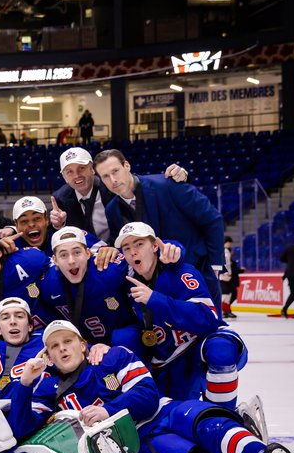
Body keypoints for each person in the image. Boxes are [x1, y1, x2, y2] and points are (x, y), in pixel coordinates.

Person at [7, 320, 294, 453]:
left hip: (162, 414)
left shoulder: (114, 357)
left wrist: (107, 410)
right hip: (139, 447)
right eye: (54, 346)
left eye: (67, 341)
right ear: (48, 356)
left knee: (209, 425)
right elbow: (22, 429)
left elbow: (146, 395)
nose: (62, 348)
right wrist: (24, 385)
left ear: (83, 344)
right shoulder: (48, 389)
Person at [116, 221, 251, 416]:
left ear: (155, 246)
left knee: (221, 351)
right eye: (127, 248)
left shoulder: (182, 272)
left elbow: (207, 319)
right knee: (173, 415)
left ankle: (224, 418)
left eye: (139, 244)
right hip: (168, 361)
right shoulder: (125, 284)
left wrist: (155, 299)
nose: (133, 252)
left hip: (199, 346)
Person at [94, 148, 224, 309]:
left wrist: (215, 265)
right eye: (105, 176)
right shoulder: (112, 209)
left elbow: (212, 219)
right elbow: (118, 241)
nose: (113, 179)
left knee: (209, 329)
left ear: (126, 166)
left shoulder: (167, 185)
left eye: (115, 171)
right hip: (158, 286)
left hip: (196, 274)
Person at [219, 236, 242, 319]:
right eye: (229, 242)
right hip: (224, 275)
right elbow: (226, 264)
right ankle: (220, 311)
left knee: (228, 295)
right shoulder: (224, 251)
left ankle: (226, 311)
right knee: (225, 295)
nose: (230, 244)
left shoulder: (225, 251)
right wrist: (227, 272)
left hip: (226, 275)